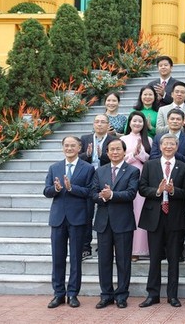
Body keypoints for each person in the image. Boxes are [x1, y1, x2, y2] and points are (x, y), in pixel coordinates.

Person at [138, 133, 185, 308]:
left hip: (175, 217)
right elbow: (142, 188)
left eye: (172, 144)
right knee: (154, 259)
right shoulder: (150, 165)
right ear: (160, 147)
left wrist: (174, 190)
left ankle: (172, 296)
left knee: (174, 258)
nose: (168, 147)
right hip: (154, 217)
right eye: (165, 144)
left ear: (177, 147)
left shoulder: (183, 166)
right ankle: (152, 294)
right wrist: (158, 191)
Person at [44, 136, 95, 309]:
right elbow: (46, 191)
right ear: (62, 148)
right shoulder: (54, 167)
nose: (69, 148)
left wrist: (72, 188)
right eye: (66, 145)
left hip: (77, 218)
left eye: (73, 145)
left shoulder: (88, 168)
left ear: (79, 147)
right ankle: (58, 294)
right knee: (57, 258)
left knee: (75, 258)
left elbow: (90, 192)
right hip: (58, 218)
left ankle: (73, 294)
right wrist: (56, 189)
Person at [91, 139, 139, 309]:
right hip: (103, 222)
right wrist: (102, 197)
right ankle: (106, 295)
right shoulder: (100, 171)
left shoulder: (132, 171)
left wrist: (112, 195)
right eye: (111, 149)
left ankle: (121, 295)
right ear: (107, 152)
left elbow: (131, 193)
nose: (115, 152)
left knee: (123, 261)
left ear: (124, 152)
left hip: (123, 222)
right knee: (103, 260)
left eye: (118, 149)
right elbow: (93, 193)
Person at [79, 114, 115, 260]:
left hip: (104, 178)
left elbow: (116, 158)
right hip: (87, 179)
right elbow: (77, 157)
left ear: (108, 125)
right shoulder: (85, 138)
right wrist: (86, 154)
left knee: (105, 214)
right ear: (93, 124)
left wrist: (103, 156)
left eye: (103, 122)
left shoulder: (113, 140)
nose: (99, 124)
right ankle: (85, 247)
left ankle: (104, 246)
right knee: (86, 214)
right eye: (97, 122)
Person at [121, 111, 152, 261]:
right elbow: (119, 159)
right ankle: (126, 248)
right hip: (125, 176)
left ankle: (139, 249)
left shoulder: (149, 140)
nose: (137, 124)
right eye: (134, 121)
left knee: (140, 212)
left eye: (140, 121)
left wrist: (140, 154)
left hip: (141, 176)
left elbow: (149, 160)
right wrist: (133, 154)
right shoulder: (123, 139)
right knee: (127, 212)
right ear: (130, 122)